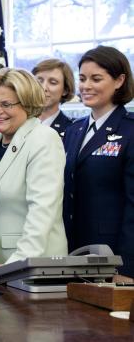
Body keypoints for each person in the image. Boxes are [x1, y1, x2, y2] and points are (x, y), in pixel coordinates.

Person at [0, 68, 67, 274]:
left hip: (31, 264)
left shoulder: (43, 138)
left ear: (28, 104)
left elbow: (42, 210)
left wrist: (17, 264)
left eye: (6, 104)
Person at [63, 46, 134, 279]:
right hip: (72, 251)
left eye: (96, 79)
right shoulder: (74, 130)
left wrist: (126, 267)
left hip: (112, 255)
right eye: (82, 78)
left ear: (119, 80)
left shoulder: (130, 129)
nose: (86, 86)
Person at [32, 58, 75, 138]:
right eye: (39, 81)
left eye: (53, 82)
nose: (44, 87)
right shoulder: (20, 123)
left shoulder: (72, 129)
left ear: (65, 90)